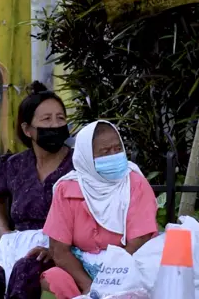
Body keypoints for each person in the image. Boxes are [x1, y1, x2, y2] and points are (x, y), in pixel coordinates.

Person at [0, 81, 74, 299]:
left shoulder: (77, 165)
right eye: (46, 119)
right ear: (27, 129)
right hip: (15, 246)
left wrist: (58, 250)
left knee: (26, 272)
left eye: (60, 118)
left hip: (60, 249)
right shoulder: (15, 165)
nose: (55, 125)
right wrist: (3, 231)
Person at [40, 120, 159, 299]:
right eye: (105, 152)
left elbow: (139, 241)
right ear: (87, 157)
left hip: (127, 266)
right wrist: (89, 286)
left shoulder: (134, 183)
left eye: (118, 149)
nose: (114, 155)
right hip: (82, 269)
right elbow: (59, 249)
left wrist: (107, 282)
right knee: (53, 279)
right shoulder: (67, 188)